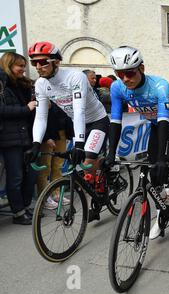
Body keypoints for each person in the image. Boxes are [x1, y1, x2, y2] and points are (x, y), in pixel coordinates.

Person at [106, 46, 169, 240]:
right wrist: (111, 154)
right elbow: (116, 121)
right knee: (155, 173)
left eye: (129, 73)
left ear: (141, 68)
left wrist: (162, 158)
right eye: (119, 74)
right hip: (154, 124)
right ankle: (162, 211)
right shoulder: (117, 88)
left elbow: (163, 121)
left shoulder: (159, 86)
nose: (125, 79)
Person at [26, 41, 110, 222]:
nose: (38, 67)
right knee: (79, 164)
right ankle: (94, 180)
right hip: (78, 124)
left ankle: (99, 189)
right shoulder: (41, 84)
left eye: (43, 62)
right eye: (34, 63)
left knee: (87, 158)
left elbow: (78, 110)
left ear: (56, 62)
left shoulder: (75, 77)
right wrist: (35, 144)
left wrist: (79, 144)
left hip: (97, 121)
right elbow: (41, 117)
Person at [0, 52, 37, 225]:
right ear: (9, 65)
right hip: (9, 139)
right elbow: (2, 111)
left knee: (30, 174)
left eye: (24, 65)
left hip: (26, 136)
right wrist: (26, 109)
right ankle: (18, 212)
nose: (23, 69)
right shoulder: (2, 84)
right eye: (19, 66)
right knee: (15, 177)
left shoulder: (24, 84)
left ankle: (25, 206)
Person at [37, 103, 74, 209]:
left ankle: (57, 194)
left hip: (61, 130)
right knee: (45, 167)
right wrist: (46, 137)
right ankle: (44, 197)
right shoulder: (42, 90)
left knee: (58, 165)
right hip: (48, 132)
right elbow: (39, 117)